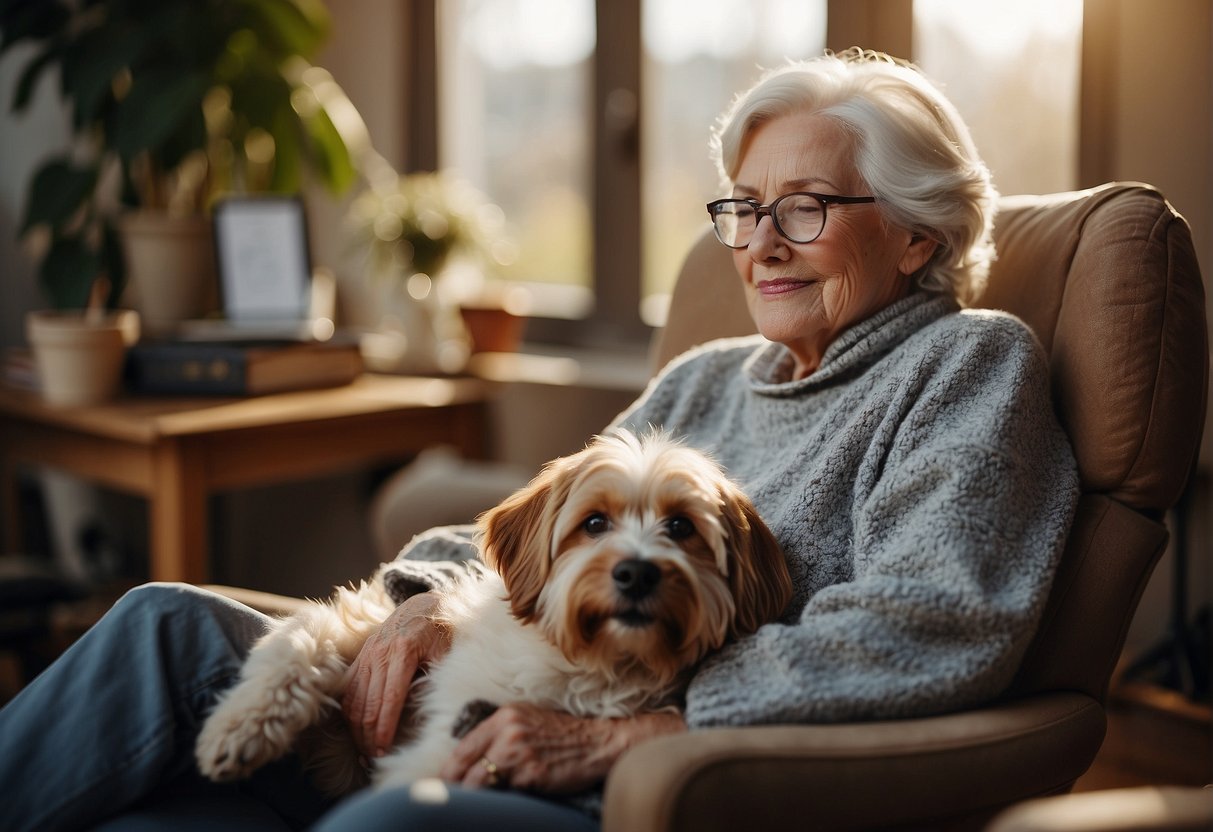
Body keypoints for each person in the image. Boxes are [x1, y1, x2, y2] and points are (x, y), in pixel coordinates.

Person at [0, 47, 1078, 831]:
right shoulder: (706, 377)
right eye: (742, 209)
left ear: (916, 232)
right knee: (163, 625)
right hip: (489, 686)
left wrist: (639, 730)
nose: (757, 246)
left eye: (802, 208)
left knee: (384, 821)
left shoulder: (966, 365)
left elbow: (931, 626)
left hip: (619, 768)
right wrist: (417, 602)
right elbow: (533, 531)